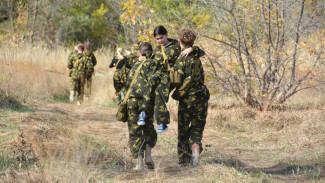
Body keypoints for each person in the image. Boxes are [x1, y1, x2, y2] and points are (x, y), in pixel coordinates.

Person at [137, 25, 205, 133]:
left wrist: (191, 49)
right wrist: (143, 57)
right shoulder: (158, 49)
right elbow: (154, 58)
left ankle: (162, 122)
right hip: (158, 75)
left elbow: (200, 52)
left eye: (161, 37)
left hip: (170, 77)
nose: (160, 41)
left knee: (160, 94)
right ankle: (143, 113)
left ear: (166, 35)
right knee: (150, 86)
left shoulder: (176, 46)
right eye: (157, 39)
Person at [173, 29, 210, 167]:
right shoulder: (196, 55)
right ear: (193, 42)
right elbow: (201, 51)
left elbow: (175, 81)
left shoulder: (180, 60)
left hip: (187, 99)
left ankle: (183, 161)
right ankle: (195, 147)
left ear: (179, 41)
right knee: (197, 127)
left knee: (183, 129)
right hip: (201, 96)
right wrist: (192, 49)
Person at [125, 42, 161, 170]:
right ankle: (149, 156)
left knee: (135, 131)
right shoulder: (154, 65)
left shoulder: (135, 66)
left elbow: (127, 84)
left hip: (133, 102)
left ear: (139, 53)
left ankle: (139, 162)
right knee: (148, 127)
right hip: (148, 102)